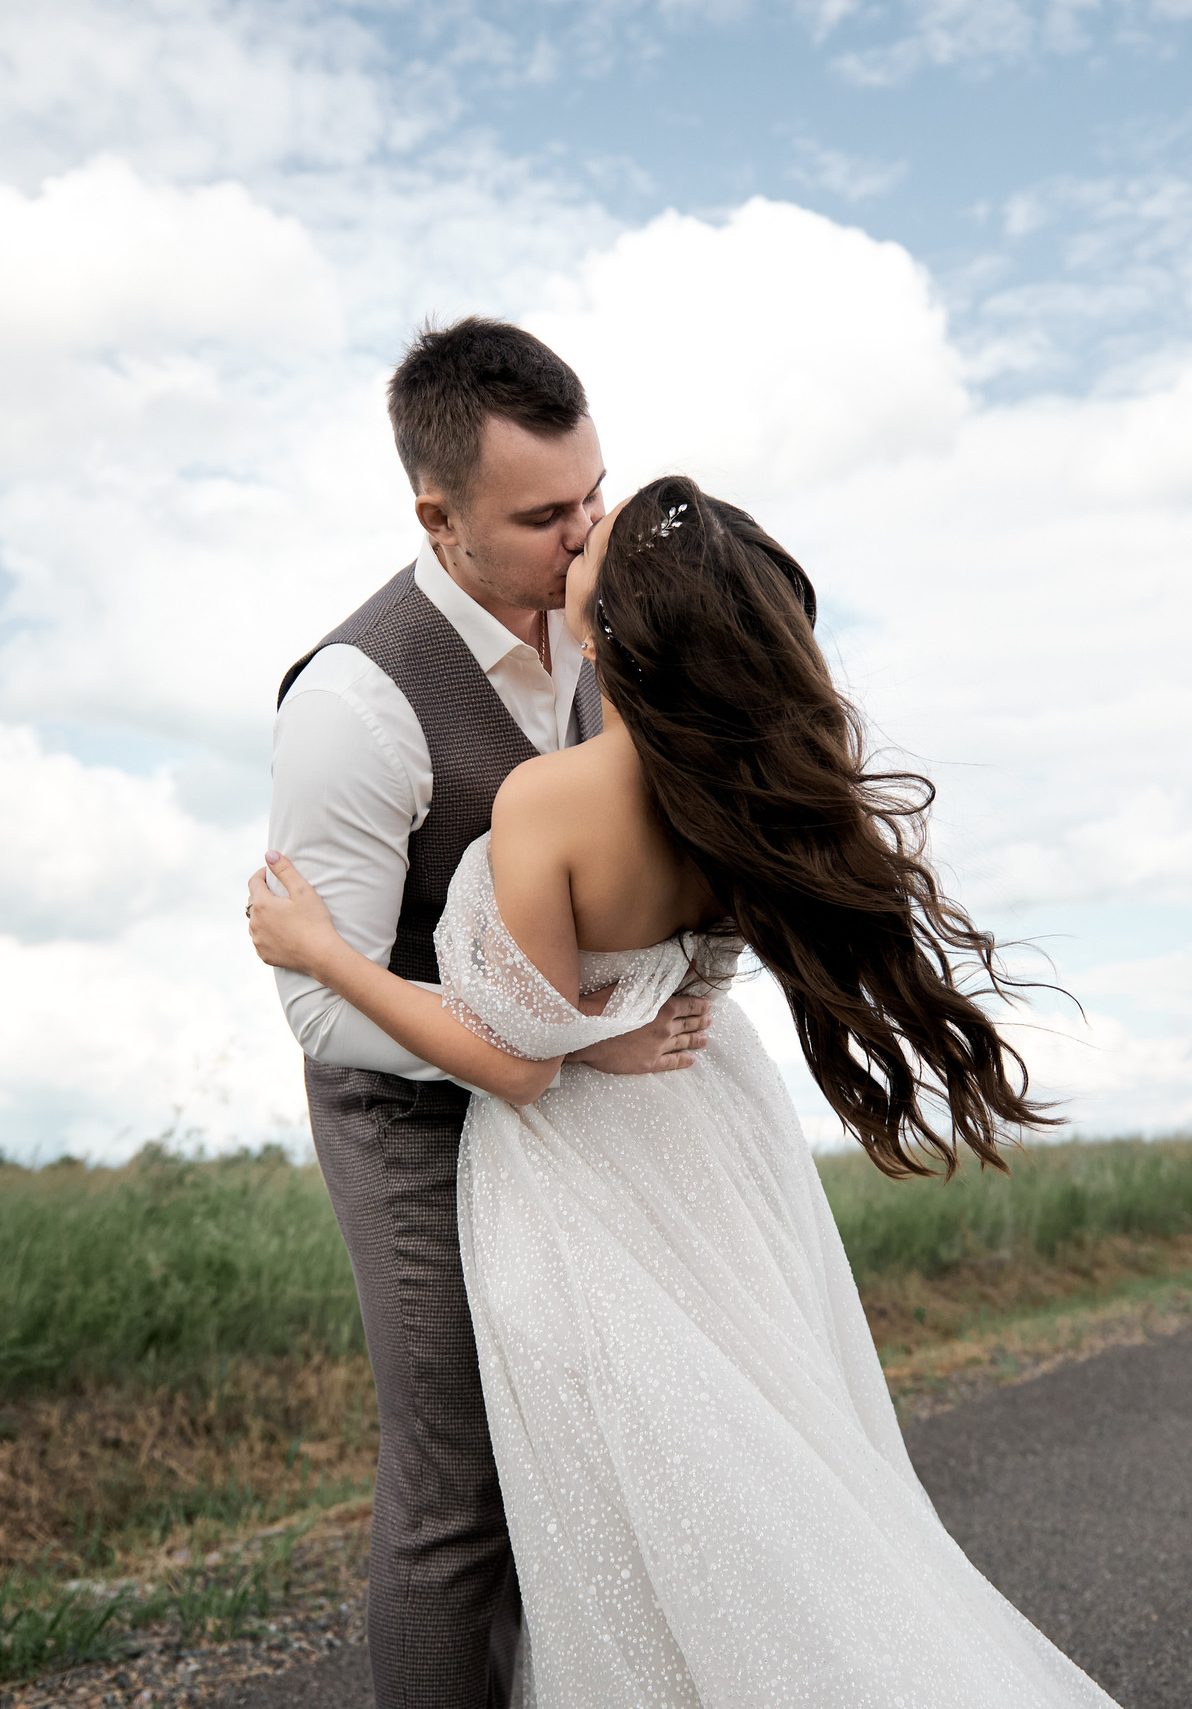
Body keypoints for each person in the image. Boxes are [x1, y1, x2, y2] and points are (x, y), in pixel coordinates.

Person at [248, 475, 1121, 1707]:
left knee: (634, 1486)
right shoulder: (734, 782)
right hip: (710, 1129)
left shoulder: (549, 799)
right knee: (751, 1453)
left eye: (592, 532)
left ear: (606, 636)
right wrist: (607, 1023)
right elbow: (606, 1003)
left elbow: (517, 1057)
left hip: (580, 1171)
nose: (577, 538)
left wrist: (324, 952)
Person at [265, 319, 714, 1709]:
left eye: (594, 494)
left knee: (589, 1450)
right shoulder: (354, 699)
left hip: (584, 1091)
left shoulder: (604, 625)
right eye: (544, 516)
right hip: (411, 1116)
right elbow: (316, 1001)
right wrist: (546, 1045)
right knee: (459, 1487)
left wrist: (620, 1024)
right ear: (437, 517)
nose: (589, 536)